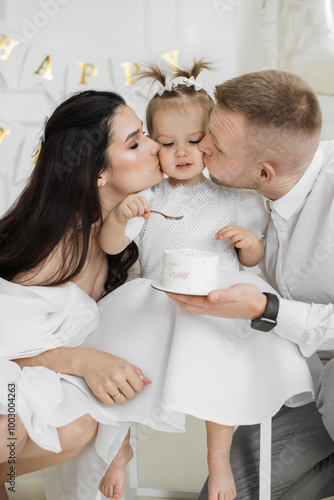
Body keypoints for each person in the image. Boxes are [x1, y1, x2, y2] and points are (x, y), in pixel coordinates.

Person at [80, 63, 313, 500]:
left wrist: (247, 243)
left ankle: (218, 461)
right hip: (158, 294)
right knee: (119, 356)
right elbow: (112, 248)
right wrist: (118, 218)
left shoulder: (233, 196)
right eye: (167, 143)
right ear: (152, 144)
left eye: (193, 141)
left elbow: (255, 257)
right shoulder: (147, 198)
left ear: (210, 141)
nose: (182, 152)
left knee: (221, 370)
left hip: (218, 300)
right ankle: (119, 445)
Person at [167, 70, 334, 499]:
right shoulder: (251, 195)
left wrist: (267, 309)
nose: (201, 148)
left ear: (263, 170)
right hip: (310, 381)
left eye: (215, 146)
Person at [0, 89, 163, 500]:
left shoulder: (117, 234)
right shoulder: (57, 247)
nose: (155, 147)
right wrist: (79, 360)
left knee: (77, 425)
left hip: (31, 374)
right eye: (135, 142)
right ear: (97, 174)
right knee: (21, 429)